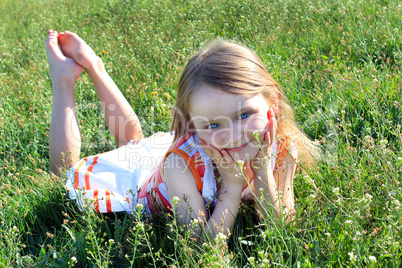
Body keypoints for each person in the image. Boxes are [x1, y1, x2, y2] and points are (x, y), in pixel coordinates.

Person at [46, 30, 319, 239]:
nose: (233, 135)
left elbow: (282, 226)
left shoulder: (282, 146)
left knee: (133, 143)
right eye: (213, 125)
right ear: (193, 127)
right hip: (145, 187)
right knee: (65, 174)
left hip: (178, 159)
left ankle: (95, 66)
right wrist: (233, 187)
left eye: (245, 114)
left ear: (271, 103)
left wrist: (261, 171)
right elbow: (200, 243)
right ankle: (63, 80)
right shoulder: (181, 165)